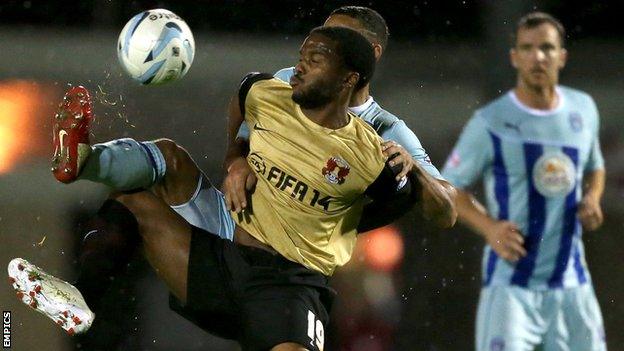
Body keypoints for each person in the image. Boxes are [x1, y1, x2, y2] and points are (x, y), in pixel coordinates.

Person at [10, 26, 424, 351]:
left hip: (285, 286)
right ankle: (81, 294)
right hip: (221, 258)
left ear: (348, 79)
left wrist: (340, 223)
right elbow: (242, 100)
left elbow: (401, 200)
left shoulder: (370, 156)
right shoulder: (265, 93)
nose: (299, 67)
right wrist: (234, 158)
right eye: (301, 56)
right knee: (136, 196)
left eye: (315, 60)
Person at [442, 12, 606, 351]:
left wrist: (592, 199)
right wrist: (488, 227)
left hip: (573, 284)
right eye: (527, 48)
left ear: (562, 56)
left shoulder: (583, 109)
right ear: (515, 57)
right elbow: (447, 186)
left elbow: (595, 165)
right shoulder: (490, 122)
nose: (538, 57)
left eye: (547, 48)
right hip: (512, 286)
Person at [227, 6, 456, 229]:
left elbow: (447, 214)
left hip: (301, 254)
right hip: (245, 223)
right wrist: (236, 161)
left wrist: (414, 168)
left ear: (373, 52)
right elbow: (245, 125)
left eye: (340, 36)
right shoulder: (289, 81)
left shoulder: (385, 129)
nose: (326, 44)